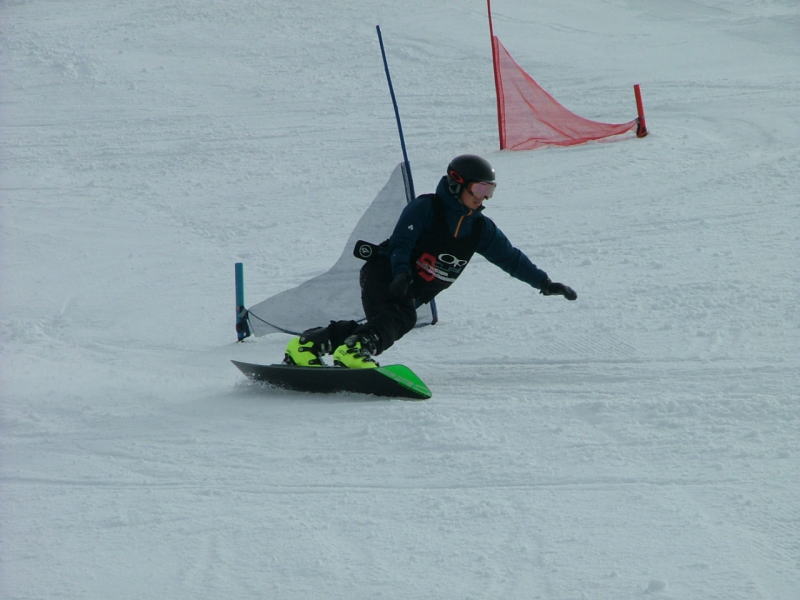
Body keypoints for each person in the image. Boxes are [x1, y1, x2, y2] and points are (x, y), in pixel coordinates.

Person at [283, 154, 577, 368]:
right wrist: (400, 274)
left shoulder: (480, 229)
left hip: (411, 290)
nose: (483, 198)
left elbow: (511, 259)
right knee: (399, 319)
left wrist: (544, 283)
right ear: (457, 184)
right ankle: (354, 350)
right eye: (479, 189)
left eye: (489, 191)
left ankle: (310, 344)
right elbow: (402, 243)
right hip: (385, 273)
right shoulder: (426, 208)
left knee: (386, 323)